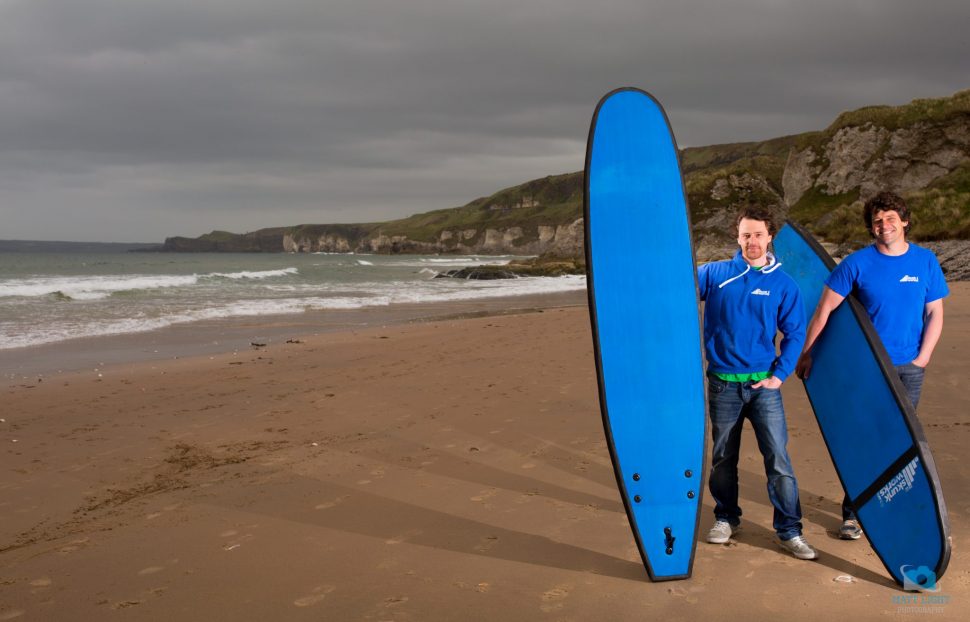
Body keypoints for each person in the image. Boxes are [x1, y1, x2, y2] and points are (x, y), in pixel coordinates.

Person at [795, 191, 948, 540]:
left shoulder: (925, 262)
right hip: (870, 369)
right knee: (866, 439)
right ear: (871, 228)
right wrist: (807, 351)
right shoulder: (856, 264)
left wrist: (922, 358)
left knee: (900, 441)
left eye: (891, 218)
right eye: (877, 221)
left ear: (904, 221)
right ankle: (853, 513)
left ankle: (893, 511)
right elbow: (825, 310)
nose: (884, 225)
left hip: (910, 368)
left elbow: (935, 312)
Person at [698, 205, 817, 560]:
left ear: (770, 237)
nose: (752, 241)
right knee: (722, 458)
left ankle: (790, 530)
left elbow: (795, 334)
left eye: (758, 234)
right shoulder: (715, 274)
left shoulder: (783, 284)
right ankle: (726, 518)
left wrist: (779, 375)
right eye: (746, 234)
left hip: (762, 386)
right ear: (738, 237)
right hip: (722, 384)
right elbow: (674, 291)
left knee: (778, 460)